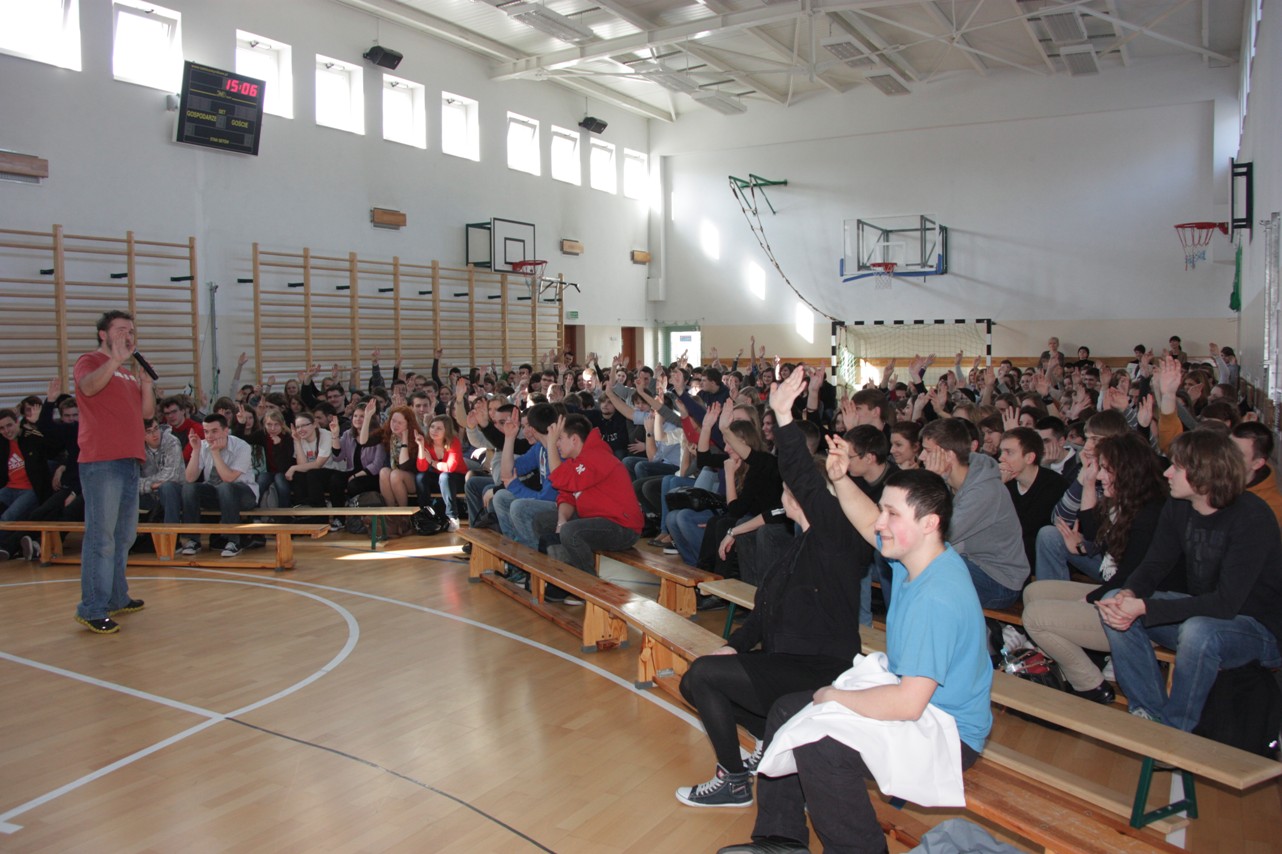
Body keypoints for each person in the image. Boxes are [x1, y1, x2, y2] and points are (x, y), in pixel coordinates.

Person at [715, 442, 992, 853]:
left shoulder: (938, 597)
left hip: (947, 732)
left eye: (892, 514)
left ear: (930, 522)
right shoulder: (918, 555)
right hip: (922, 708)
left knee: (821, 748)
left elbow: (908, 704)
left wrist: (833, 696)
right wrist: (841, 479)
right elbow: (865, 521)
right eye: (884, 510)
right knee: (789, 710)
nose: (880, 523)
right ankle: (781, 839)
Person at [674, 368, 865, 809]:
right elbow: (761, 616)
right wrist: (735, 646)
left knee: (703, 677)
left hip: (820, 667)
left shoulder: (836, 541)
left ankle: (733, 779)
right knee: (698, 679)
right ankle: (771, 739)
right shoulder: (794, 551)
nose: (785, 492)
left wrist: (783, 417)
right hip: (786, 661)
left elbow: (803, 474)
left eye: (791, 488)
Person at [1099, 430, 1282, 731]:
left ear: (1204, 474)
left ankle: (1176, 733)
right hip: (1203, 617)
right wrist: (1129, 593)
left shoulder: (1253, 517)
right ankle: (1150, 712)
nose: (1167, 472)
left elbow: (1226, 604)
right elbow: (1154, 565)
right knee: (1113, 602)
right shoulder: (1179, 506)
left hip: (1257, 629)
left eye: (1178, 467)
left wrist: (1144, 607)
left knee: (1200, 631)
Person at [1021, 433, 1170, 704]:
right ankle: (1082, 665)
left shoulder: (1151, 513)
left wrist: (1091, 597)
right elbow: (1093, 533)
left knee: (1034, 616)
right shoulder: (1126, 502)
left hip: (1143, 609)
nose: (1099, 475)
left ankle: (1089, 684)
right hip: (1121, 592)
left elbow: (1133, 576)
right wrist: (1087, 483)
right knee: (1034, 592)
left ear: (1127, 471)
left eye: (1105, 469)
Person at [72, 310, 154, 633]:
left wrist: (146, 385)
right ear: (103, 335)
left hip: (130, 459)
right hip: (101, 461)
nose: (128, 335)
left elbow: (146, 414)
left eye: (131, 330)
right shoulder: (90, 361)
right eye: (120, 329)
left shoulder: (128, 375)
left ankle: (118, 596)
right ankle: (92, 607)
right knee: (101, 537)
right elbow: (88, 388)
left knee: (124, 535)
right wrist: (115, 361)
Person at [177, 413, 260, 558]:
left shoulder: (242, 447)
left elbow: (228, 478)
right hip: (217, 492)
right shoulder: (202, 445)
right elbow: (189, 478)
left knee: (226, 487)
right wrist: (195, 451)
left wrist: (215, 453)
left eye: (214, 431)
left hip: (244, 493)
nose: (209, 436)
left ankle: (233, 540)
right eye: (206, 432)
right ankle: (193, 539)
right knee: (189, 488)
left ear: (226, 430)